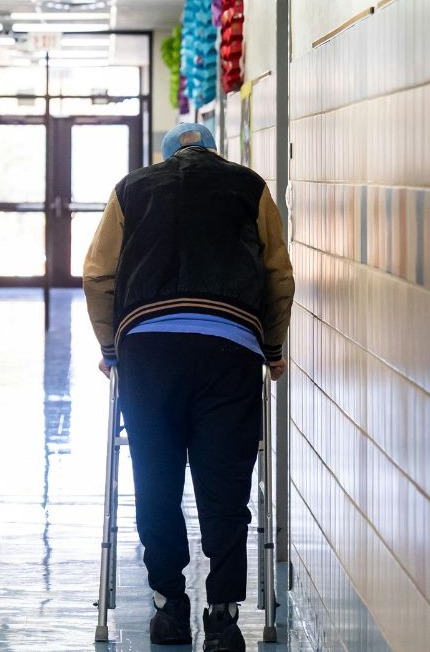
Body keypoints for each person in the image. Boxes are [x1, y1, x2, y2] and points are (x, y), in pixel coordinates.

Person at [81, 122, 294, 652]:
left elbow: (97, 274)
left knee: (157, 481)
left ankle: (168, 606)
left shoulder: (130, 189)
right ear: (212, 150)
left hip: (149, 355)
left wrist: (111, 348)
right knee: (224, 487)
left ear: (166, 154)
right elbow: (277, 274)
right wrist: (272, 349)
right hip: (229, 352)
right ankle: (222, 618)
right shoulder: (250, 186)